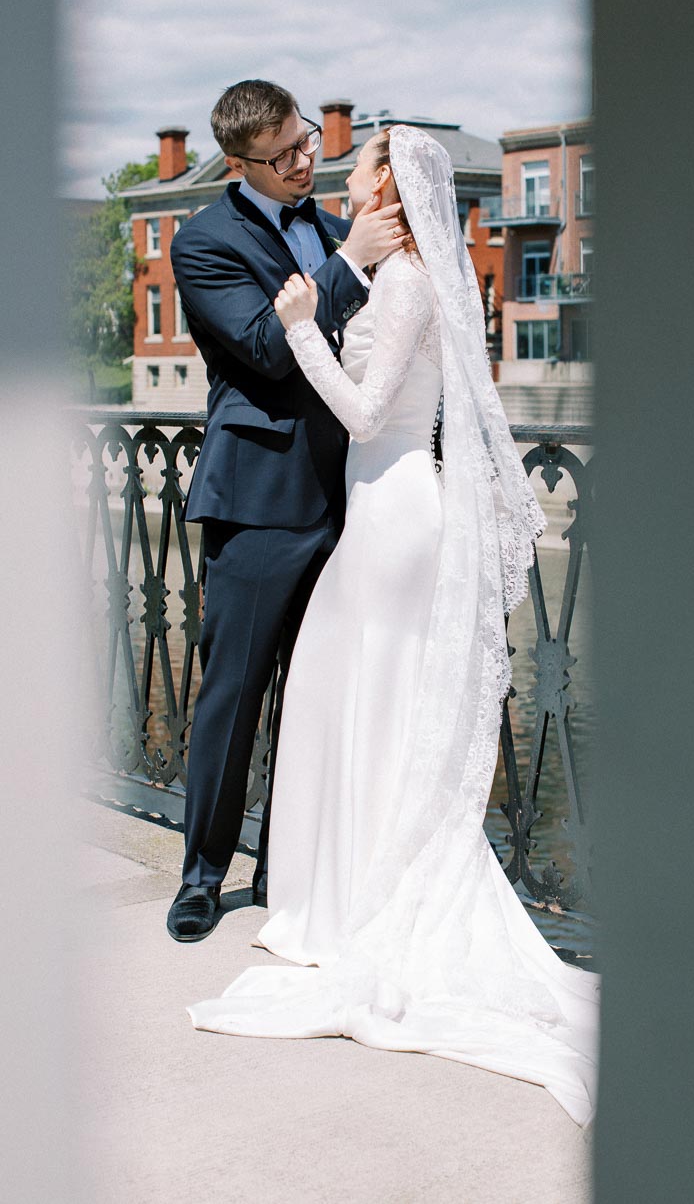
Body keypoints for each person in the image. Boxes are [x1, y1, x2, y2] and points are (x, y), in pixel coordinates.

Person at [187, 125, 599, 1126]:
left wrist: (297, 329)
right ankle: (333, 900)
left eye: (362, 160)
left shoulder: (409, 282)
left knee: (359, 691)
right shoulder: (397, 271)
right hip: (376, 513)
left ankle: (356, 905)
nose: (343, 170)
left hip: (395, 509)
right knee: (352, 694)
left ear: (389, 182)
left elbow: (369, 414)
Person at [166, 80, 406, 942]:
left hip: (353, 496)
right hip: (261, 500)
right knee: (233, 696)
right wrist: (349, 267)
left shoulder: (342, 230)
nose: (308, 161)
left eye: (308, 143)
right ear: (240, 164)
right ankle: (201, 876)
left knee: (316, 696)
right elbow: (269, 354)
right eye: (287, 155)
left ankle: (287, 866)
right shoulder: (203, 246)